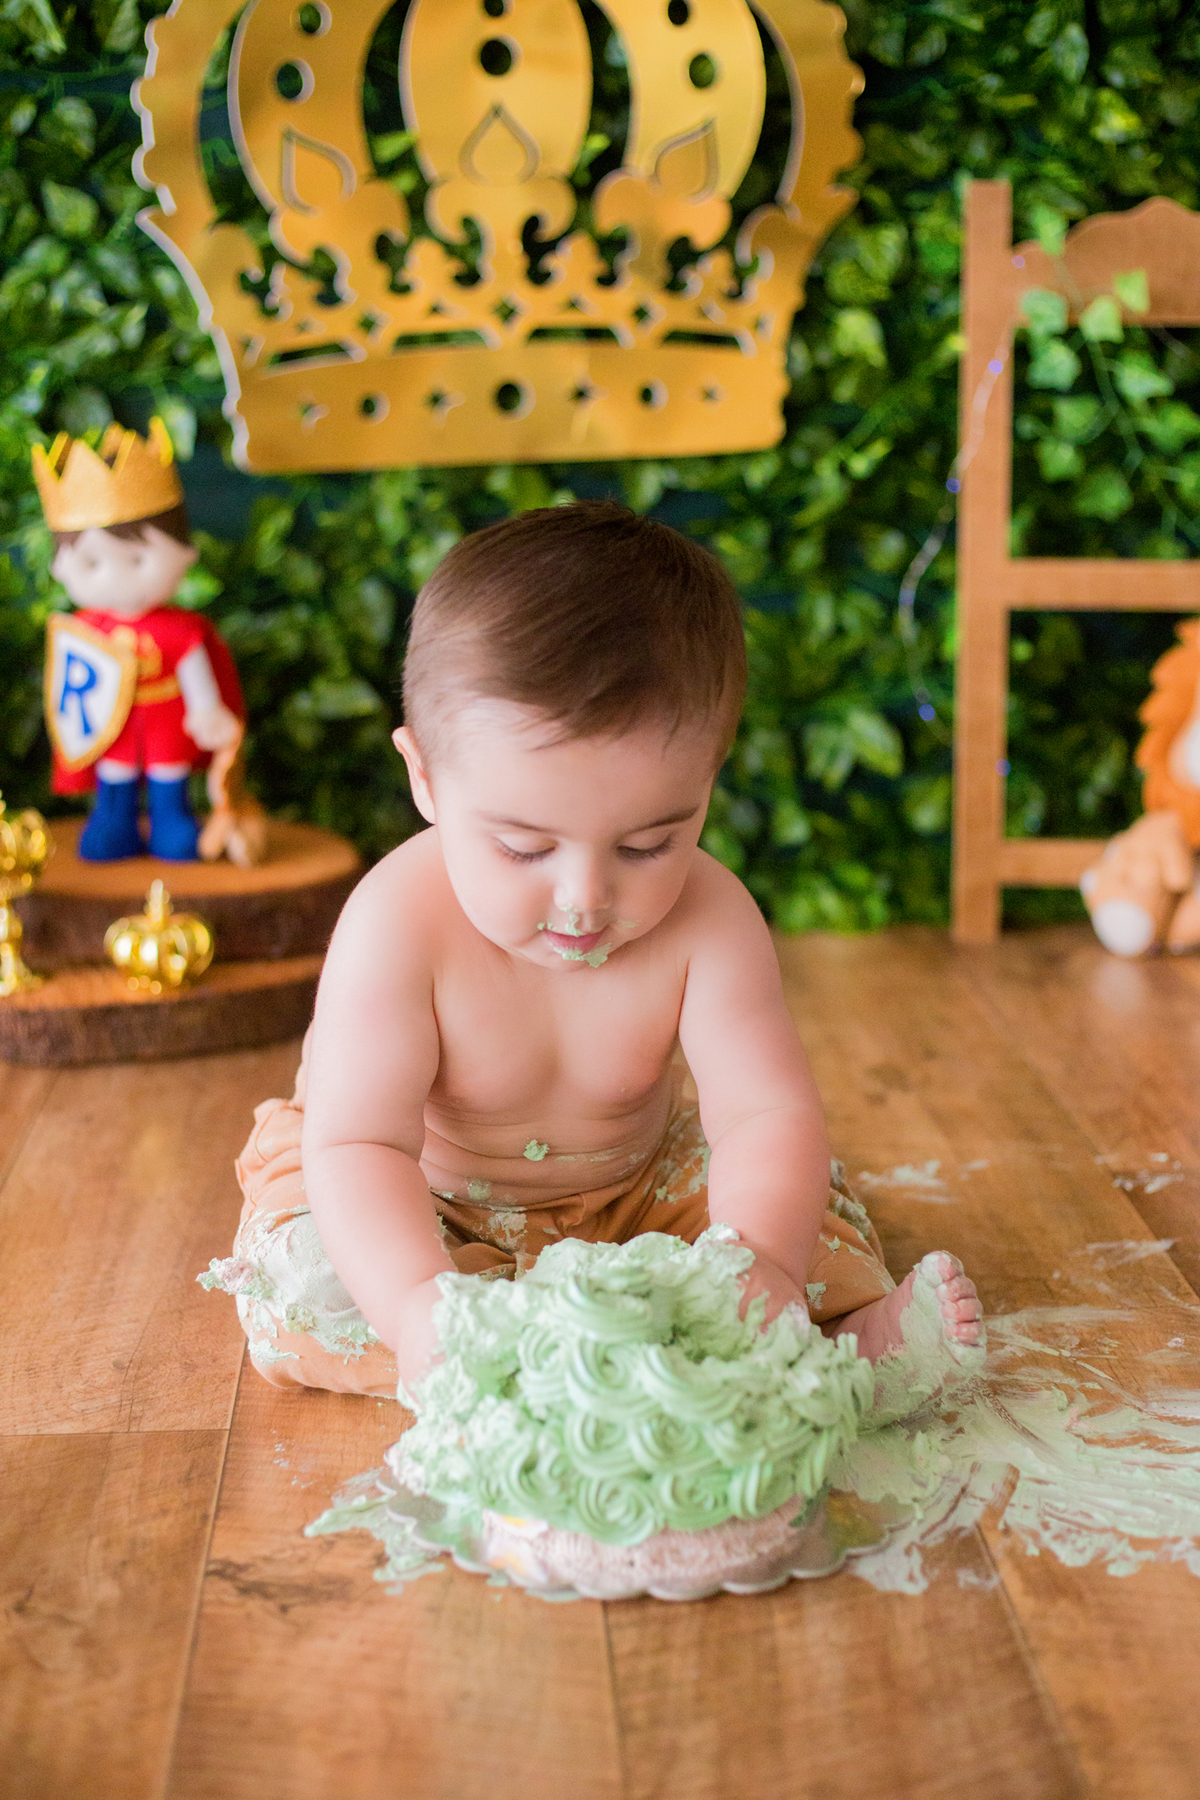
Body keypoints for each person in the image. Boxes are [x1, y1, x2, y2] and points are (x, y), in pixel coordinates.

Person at [207, 502, 981, 1398]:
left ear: (707, 781)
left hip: (638, 1194)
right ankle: (527, 1354)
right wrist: (418, 1304)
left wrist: (762, 1264)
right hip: (425, 1203)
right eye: (523, 848)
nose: (585, 898)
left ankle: (843, 1346)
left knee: (791, 1209)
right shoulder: (396, 925)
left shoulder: (711, 921)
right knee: (309, 1286)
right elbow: (359, 1145)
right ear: (425, 778)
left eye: (648, 845)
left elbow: (763, 1116)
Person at [34, 419, 243, 861]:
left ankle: (172, 824)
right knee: (115, 773)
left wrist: (206, 709)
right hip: (114, 724)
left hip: (169, 717)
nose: (116, 577)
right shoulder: (83, 632)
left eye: (135, 559)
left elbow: (197, 676)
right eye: (92, 563)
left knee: (170, 775)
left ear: (182, 552)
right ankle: (113, 823)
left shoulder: (182, 630)